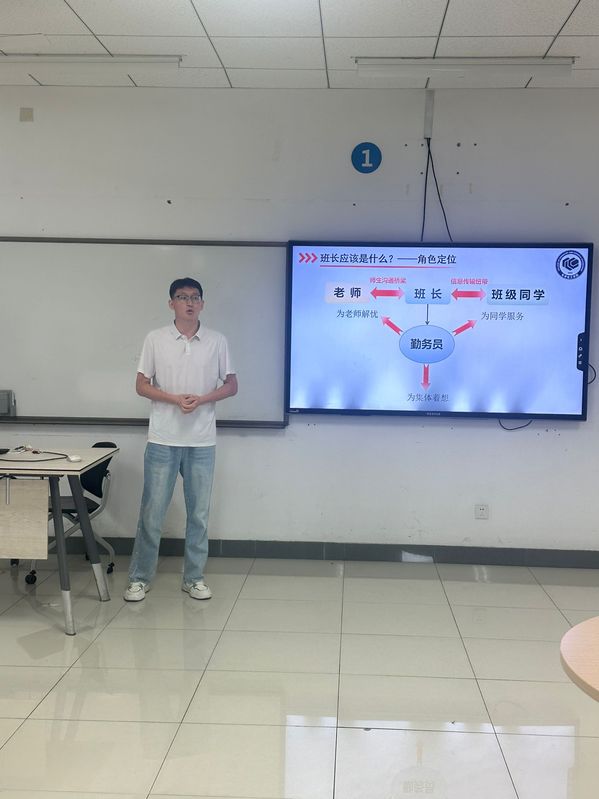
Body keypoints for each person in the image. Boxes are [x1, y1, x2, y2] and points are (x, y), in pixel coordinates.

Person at [124, 277, 237, 602]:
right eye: (182, 297)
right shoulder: (156, 339)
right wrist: (175, 399)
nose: (189, 302)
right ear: (171, 303)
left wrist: (201, 400)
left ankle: (194, 578)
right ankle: (139, 578)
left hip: (202, 441)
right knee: (152, 512)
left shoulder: (216, 340)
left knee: (198, 514)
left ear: (202, 303)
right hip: (163, 438)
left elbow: (231, 385)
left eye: (195, 297)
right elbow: (141, 384)